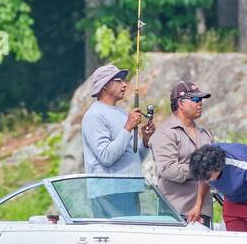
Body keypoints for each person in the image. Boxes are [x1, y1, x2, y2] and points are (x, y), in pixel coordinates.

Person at [81, 63, 155, 216]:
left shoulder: (122, 113)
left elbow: (135, 158)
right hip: (109, 193)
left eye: (123, 80)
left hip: (130, 190)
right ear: (104, 86)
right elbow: (106, 157)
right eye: (118, 80)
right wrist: (128, 128)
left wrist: (145, 141)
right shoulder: (94, 115)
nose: (124, 84)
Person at [149, 81, 215, 225]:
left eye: (201, 100)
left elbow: (215, 168)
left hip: (204, 212)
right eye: (196, 99)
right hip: (176, 213)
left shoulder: (205, 134)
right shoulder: (165, 133)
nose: (200, 103)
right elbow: (168, 169)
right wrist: (201, 170)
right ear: (180, 103)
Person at [187, 143, 247, 233]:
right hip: (235, 191)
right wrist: (197, 206)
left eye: (207, 178)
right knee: (235, 234)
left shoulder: (245, 165)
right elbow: (203, 180)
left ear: (217, 168)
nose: (206, 181)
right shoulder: (204, 162)